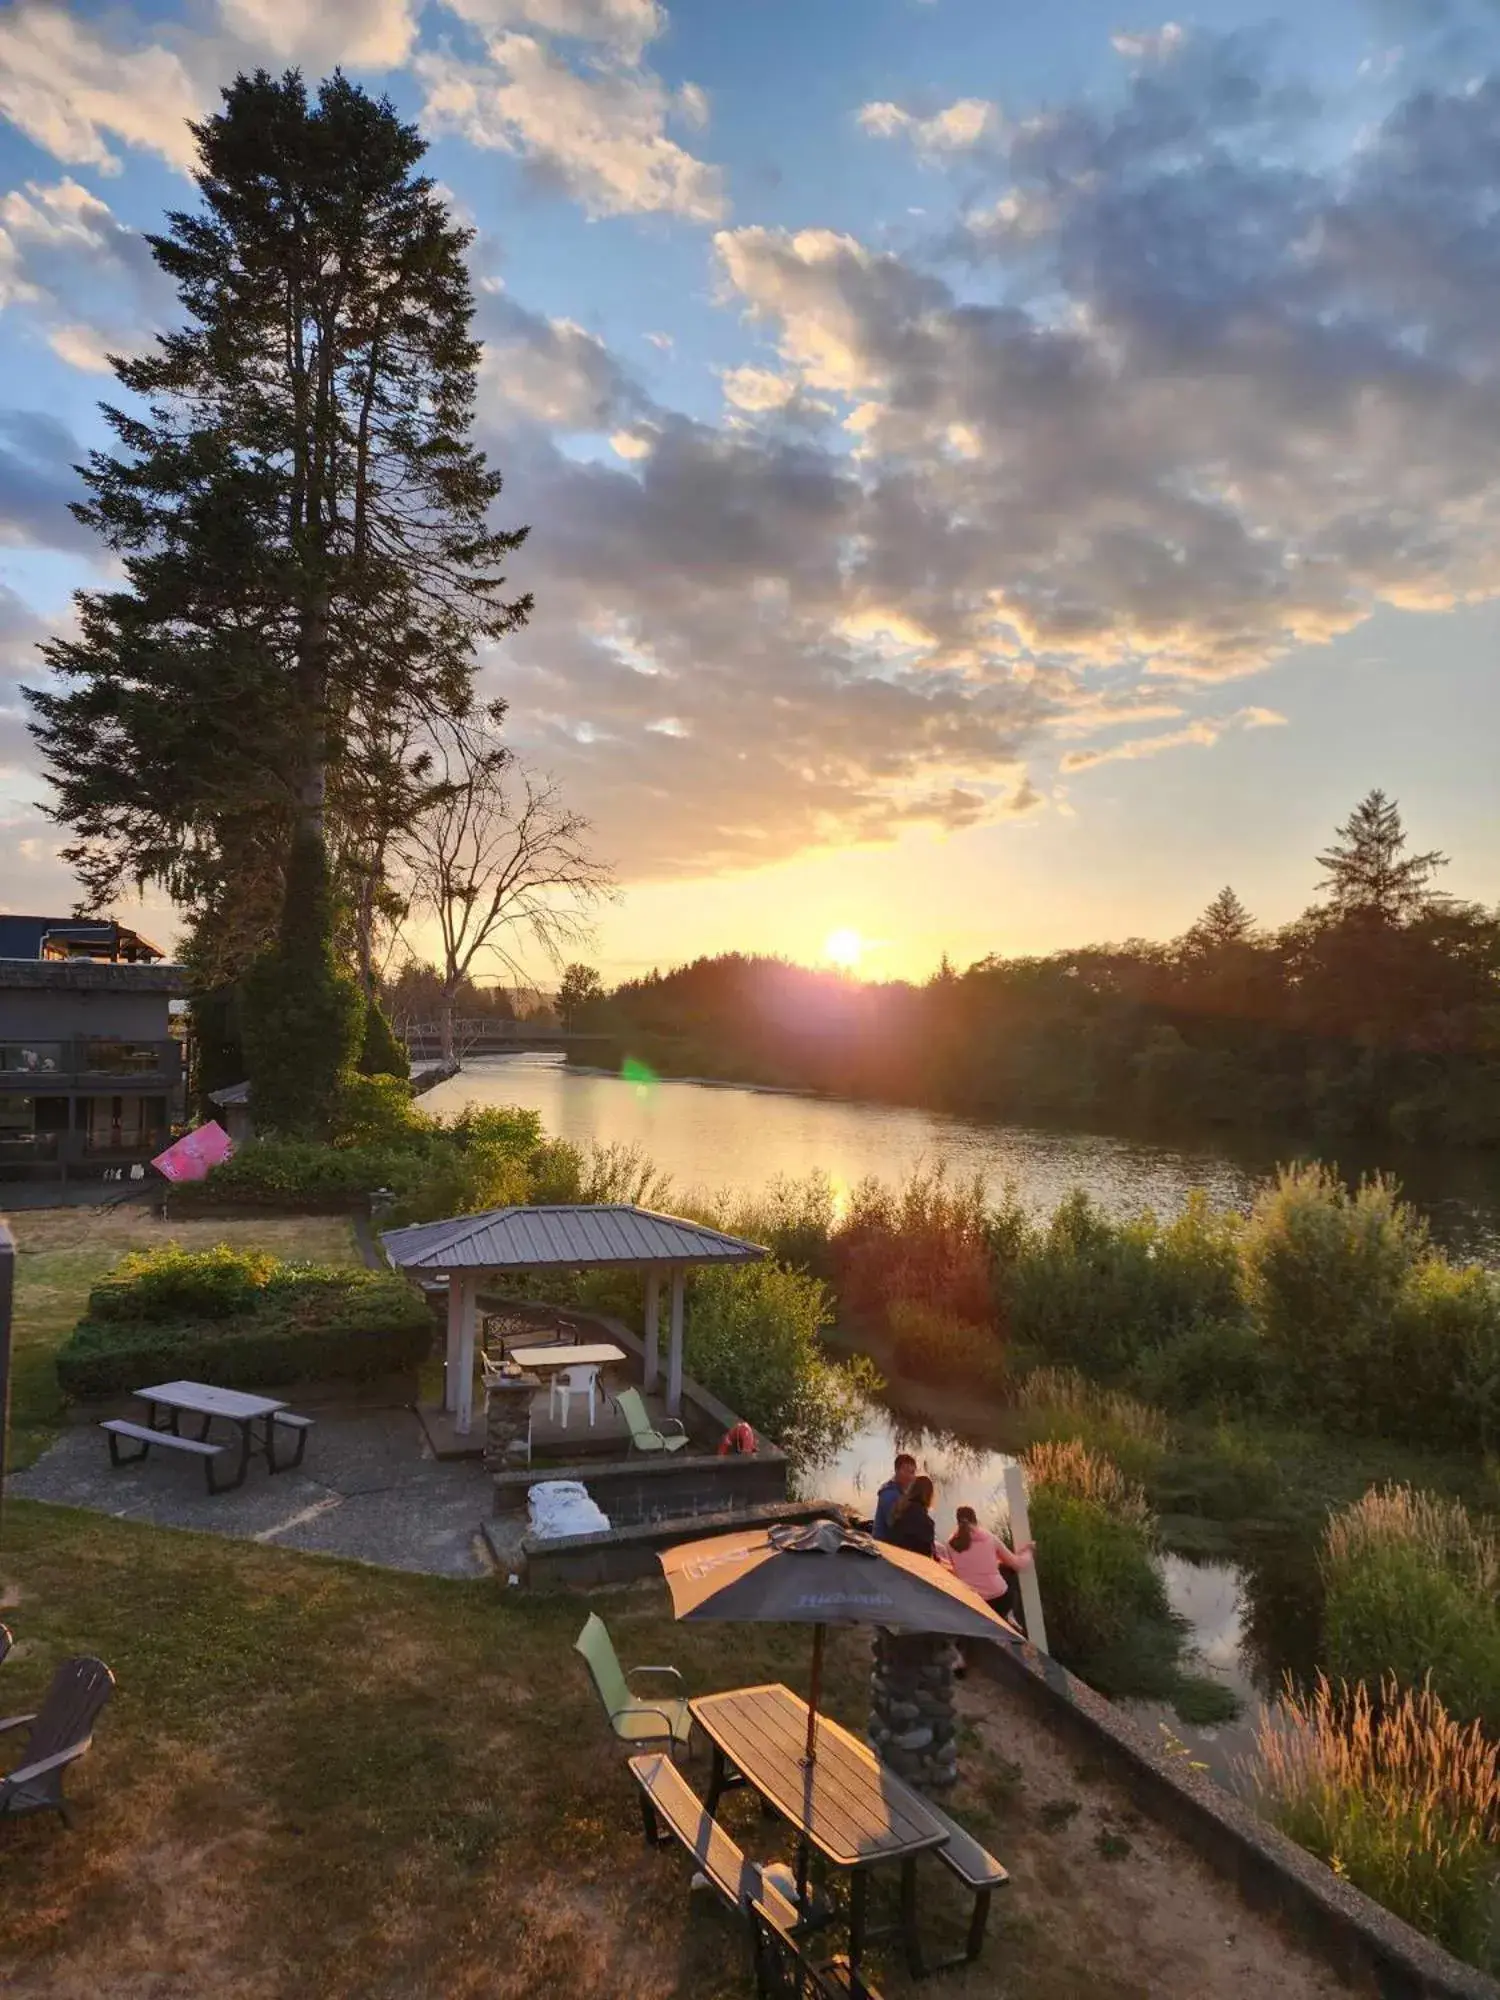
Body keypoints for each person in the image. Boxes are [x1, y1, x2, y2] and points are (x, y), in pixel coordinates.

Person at [947, 1506, 1034, 1671]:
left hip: (974, 1604)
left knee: (965, 1611)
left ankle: (960, 1660)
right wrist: (1028, 1551)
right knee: (1008, 1571)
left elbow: (960, 1569)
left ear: (957, 1522)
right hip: (1000, 1600)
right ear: (976, 1520)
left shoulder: (951, 1544)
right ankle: (1009, 1617)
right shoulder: (989, 1538)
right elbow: (1018, 1563)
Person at [885, 1474, 939, 1559]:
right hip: (909, 1565)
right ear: (929, 1495)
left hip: (892, 1558)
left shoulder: (899, 1509)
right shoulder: (927, 1523)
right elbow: (926, 1559)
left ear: (912, 1489)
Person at [872, 1452, 918, 1541]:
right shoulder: (888, 1494)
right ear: (896, 1470)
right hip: (883, 1544)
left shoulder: (903, 1491)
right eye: (905, 1471)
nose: (910, 1476)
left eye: (912, 1472)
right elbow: (893, 1525)